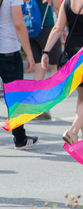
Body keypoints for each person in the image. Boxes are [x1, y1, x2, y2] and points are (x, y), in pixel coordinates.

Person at [41, 0, 83, 143]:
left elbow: (58, 28)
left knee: (81, 96)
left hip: (70, 55)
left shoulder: (67, 3)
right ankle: (73, 131)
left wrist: (46, 51)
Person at [0, 0, 38, 150]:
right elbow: (19, 24)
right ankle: (20, 138)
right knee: (15, 98)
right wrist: (29, 53)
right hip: (8, 51)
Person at [30, 0, 62, 120]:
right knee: (54, 67)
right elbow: (58, 7)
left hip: (31, 27)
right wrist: (62, 29)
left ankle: (34, 107)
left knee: (39, 69)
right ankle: (44, 106)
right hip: (47, 27)